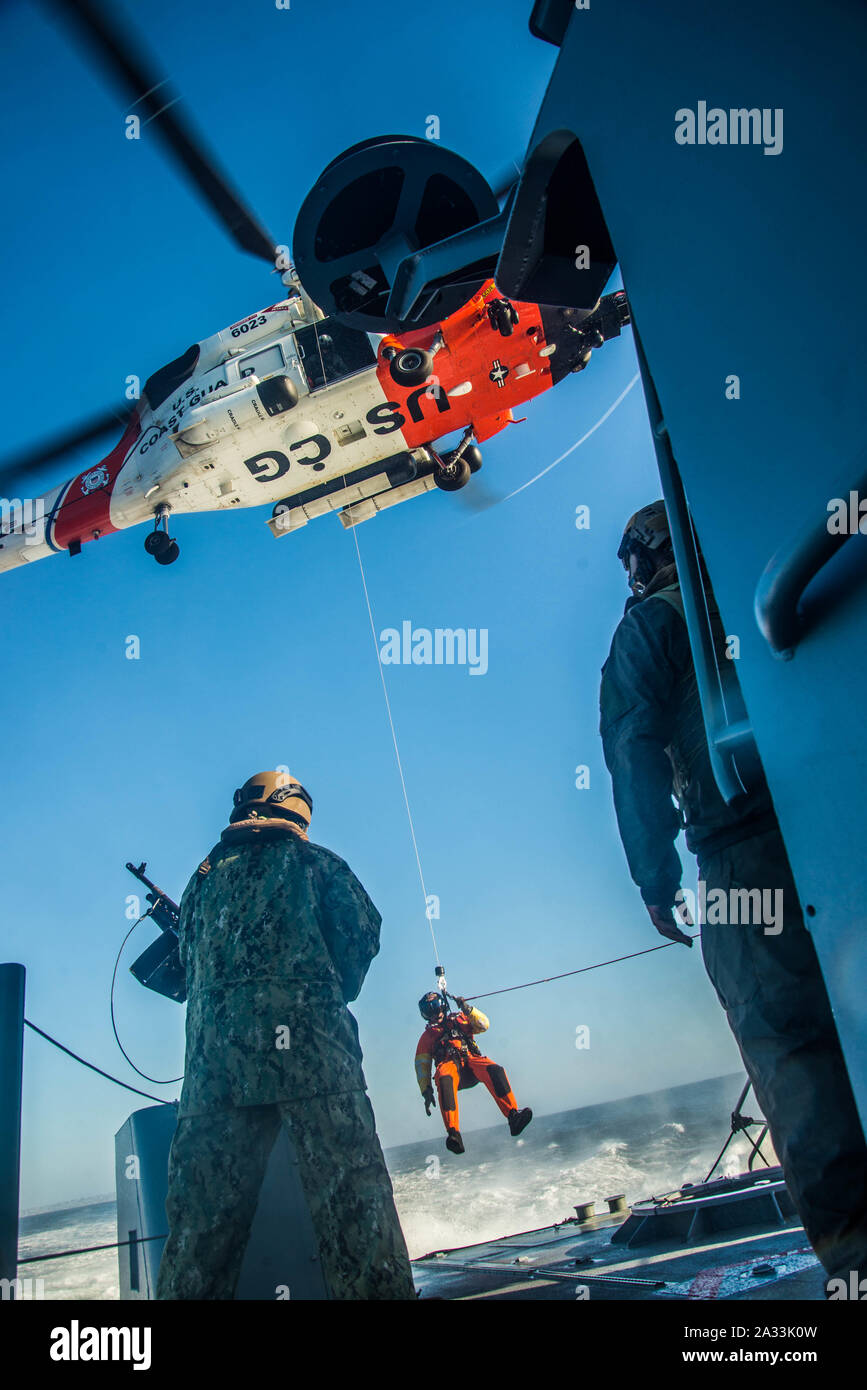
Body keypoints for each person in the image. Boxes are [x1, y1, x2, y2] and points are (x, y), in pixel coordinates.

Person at [599, 501, 867, 1288]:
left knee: (791, 1056)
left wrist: (654, 879)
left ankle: (856, 1261)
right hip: (835, 837)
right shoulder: (772, 585)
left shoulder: (649, 626)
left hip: (740, 861)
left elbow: (631, 749)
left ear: (647, 556)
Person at [156, 769, 415, 1300]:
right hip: (318, 1066)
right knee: (354, 1208)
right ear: (294, 808)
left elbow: (187, 964)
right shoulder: (318, 864)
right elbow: (358, 946)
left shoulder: (200, 881)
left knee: (200, 1234)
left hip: (214, 1081)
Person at [415, 991, 532, 1154]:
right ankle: (454, 1134)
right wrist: (426, 1090)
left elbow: (484, 1024)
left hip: (471, 1063)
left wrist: (467, 1008)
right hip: (450, 1067)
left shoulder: (460, 1019)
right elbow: (422, 1064)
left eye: (435, 1007)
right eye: (428, 1012)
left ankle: (513, 1116)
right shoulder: (427, 1037)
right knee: (444, 1078)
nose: (433, 1014)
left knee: (494, 1069)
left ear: (442, 1005)